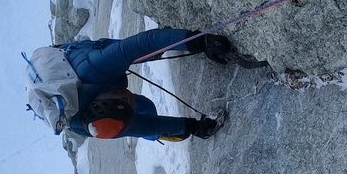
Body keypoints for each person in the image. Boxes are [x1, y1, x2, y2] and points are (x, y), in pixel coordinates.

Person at [58, 27, 236, 141]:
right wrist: (190, 127)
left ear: (112, 94)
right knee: (145, 106)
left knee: (147, 51)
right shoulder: (99, 126)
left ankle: (169, 39)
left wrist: (199, 41)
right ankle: (160, 136)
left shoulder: (97, 65)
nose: (133, 103)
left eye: (127, 102)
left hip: (78, 56)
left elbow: (143, 43)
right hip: (76, 92)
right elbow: (142, 126)